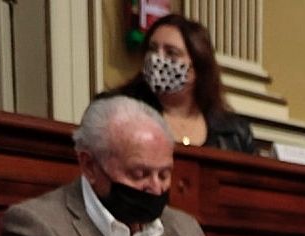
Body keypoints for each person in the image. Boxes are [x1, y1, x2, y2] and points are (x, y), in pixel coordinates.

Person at [0, 96, 216, 236]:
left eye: (165, 174)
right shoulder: (38, 227)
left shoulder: (186, 230)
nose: (156, 188)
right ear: (90, 165)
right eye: (140, 174)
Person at [103, 14, 256, 154]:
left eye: (171, 53)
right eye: (152, 49)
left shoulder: (235, 133)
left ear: (197, 67)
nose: (157, 58)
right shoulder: (117, 112)